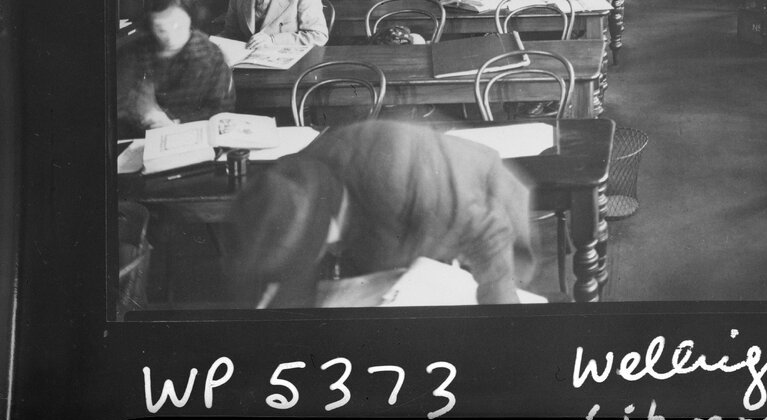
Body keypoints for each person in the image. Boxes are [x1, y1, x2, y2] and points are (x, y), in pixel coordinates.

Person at [224, 120, 535, 308]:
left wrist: (501, 318)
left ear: (330, 226)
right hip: (389, 219)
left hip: (483, 203)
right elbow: (291, 276)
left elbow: (488, 234)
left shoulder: (402, 173)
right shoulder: (295, 178)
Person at [116, 0, 234, 135]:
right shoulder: (133, 53)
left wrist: (173, 123)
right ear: (150, 25)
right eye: (161, 29)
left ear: (191, 19)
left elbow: (222, 110)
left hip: (194, 137)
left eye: (177, 26)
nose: (170, 36)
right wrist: (142, 116)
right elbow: (117, 103)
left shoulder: (211, 56)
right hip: (139, 137)